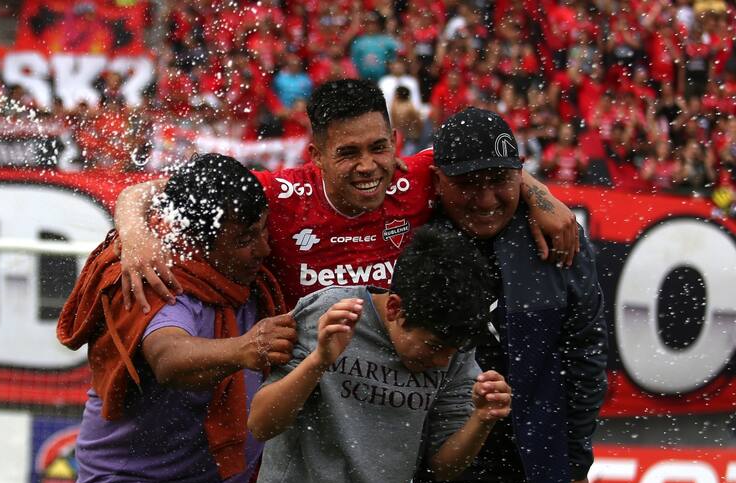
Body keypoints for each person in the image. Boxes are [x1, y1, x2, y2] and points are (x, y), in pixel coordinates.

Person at [114, 79, 579, 315]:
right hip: (300, 398)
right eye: (348, 153)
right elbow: (142, 191)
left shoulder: (417, 176)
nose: (368, 166)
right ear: (315, 154)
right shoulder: (278, 193)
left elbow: (486, 165)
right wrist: (135, 237)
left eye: (379, 148)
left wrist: (540, 197)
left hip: (392, 396)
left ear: (396, 142)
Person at [56, 154, 296, 483]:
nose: (264, 248)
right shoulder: (155, 273)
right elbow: (169, 357)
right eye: (245, 239)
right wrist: (247, 347)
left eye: (263, 230)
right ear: (197, 241)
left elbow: (144, 191)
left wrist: (131, 219)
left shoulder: (232, 261)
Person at [408, 107, 609, 483]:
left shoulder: (561, 241)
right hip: (423, 476)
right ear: (438, 180)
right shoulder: (410, 229)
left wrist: (575, 464)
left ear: (519, 173)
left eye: (498, 182)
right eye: (466, 185)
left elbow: (585, 359)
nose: (485, 201)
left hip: (526, 476)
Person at [247, 226, 512, 483]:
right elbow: (261, 424)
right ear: (395, 308)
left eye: (451, 352)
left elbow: (443, 467)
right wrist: (319, 361)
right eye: (434, 347)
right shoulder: (332, 315)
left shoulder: (454, 343)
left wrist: (482, 419)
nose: (442, 362)